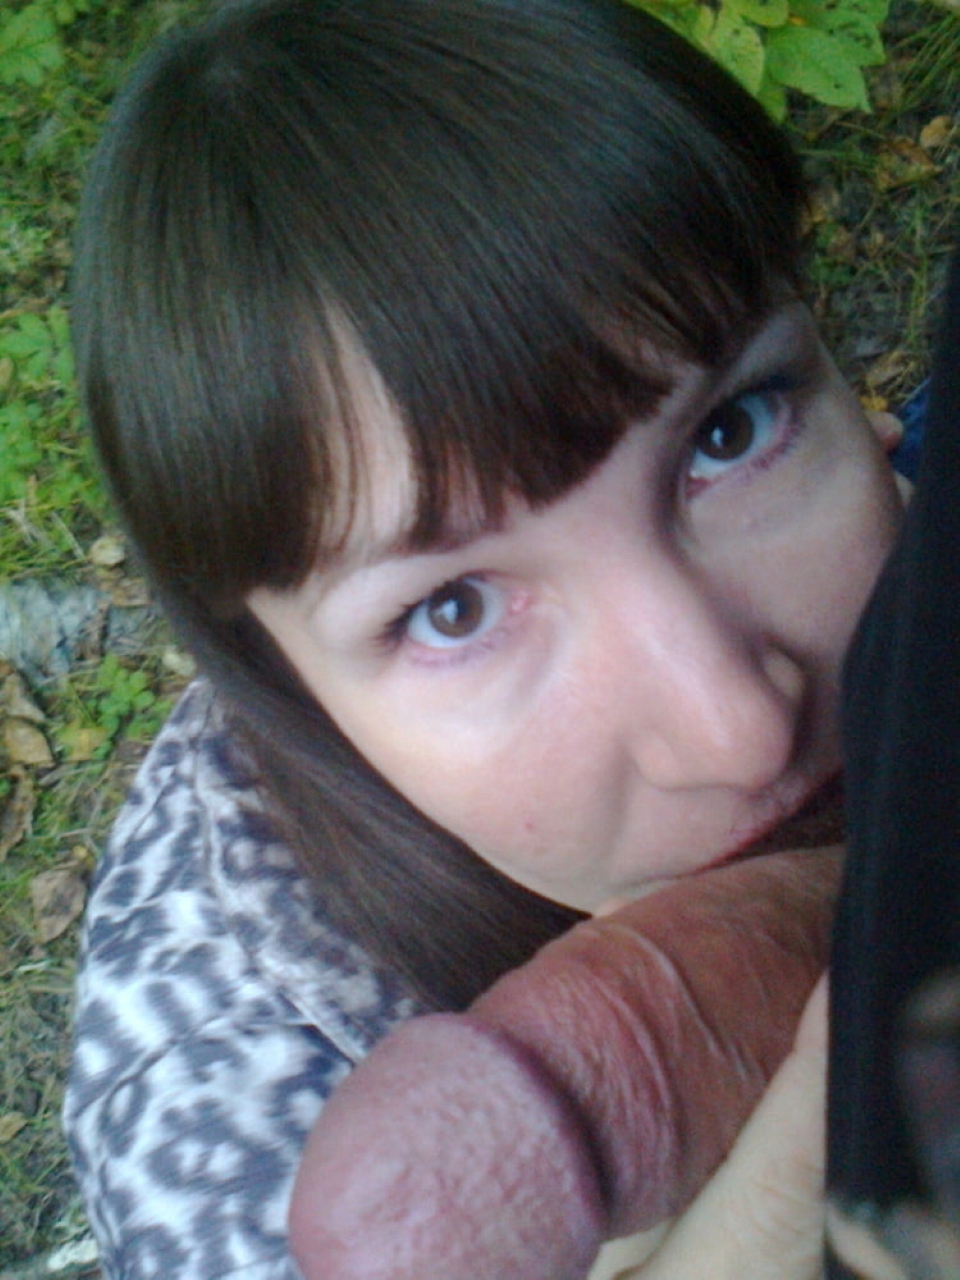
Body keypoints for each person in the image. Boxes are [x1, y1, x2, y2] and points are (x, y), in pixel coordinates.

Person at [62, 0, 908, 1276]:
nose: (739, 726)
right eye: (451, 607)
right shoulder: (212, 1100)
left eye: (730, 431)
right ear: (282, 684)